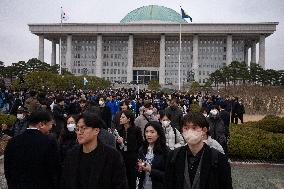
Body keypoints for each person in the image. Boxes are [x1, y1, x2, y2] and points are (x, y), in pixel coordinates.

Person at [60, 112, 128, 189]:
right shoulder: (71, 155)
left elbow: (120, 185)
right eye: (77, 129)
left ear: (96, 130)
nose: (79, 132)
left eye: (83, 128)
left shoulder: (112, 156)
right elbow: (64, 182)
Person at [165, 112, 232, 189]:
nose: (189, 132)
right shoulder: (173, 156)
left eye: (194, 128)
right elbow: (168, 183)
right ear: (182, 131)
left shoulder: (218, 159)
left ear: (204, 130)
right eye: (186, 128)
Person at [4, 111, 60, 189]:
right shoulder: (49, 142)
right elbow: (53, 170)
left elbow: (7, 169)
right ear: (42, 124)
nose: (51, 127)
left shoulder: (13, 142)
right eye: (50, 124)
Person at [137, 121, 170, 189]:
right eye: (146, 131)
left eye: (152, 132)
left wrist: (151, 170)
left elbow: (168, 176)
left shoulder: (165, 151)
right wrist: (139, 168)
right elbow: (138, 168)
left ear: (158, 134)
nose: (148, 134)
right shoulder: (142, 149)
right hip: (143, 185)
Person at [117, 110, 143, 189]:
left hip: (133, 158)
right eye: (120, 117)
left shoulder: (136, 130)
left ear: (129, 119)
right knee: (123, 179)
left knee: (132, 180)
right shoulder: (119, 130)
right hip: (122, 158)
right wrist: (120, 143)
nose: (120, 119)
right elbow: (118, 147)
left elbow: (140, 144)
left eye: (123, 117)